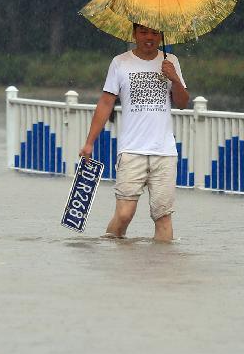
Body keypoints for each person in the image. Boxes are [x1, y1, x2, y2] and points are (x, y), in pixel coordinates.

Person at [79, 23, 190, 242]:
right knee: (124, 214)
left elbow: (183, 104)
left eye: (155, 33)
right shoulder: (120, 62)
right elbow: (105, 103)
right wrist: (89, 143)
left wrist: (174, 78)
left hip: (164, 152)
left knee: (163, 217)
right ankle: (115, 258)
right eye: (144, 32)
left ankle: (160, 271)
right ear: (134, 34)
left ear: (161, 36)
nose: (149, 37)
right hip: (131, 150)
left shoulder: (171, 61)